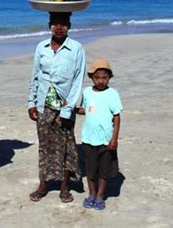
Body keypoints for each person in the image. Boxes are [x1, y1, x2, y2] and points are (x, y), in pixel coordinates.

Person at [28, 12, 85, 203]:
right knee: (45, 145)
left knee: (67, 145)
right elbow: (35, 76)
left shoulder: (76, 48)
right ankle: (43, 185)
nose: (59, 27)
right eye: (55, 23)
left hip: (64, 105)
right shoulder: (41, 47)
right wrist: (31, 102)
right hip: (43, 104)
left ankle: (64, 187)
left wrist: (68, 109)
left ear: (69, 26)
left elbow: (77, 81)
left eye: (63, 24)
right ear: (49, 25)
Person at [76, 58, 122, 210]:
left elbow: (116, 117)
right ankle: (91, 194)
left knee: (103, 171)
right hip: (89, 139)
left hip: (105, 140)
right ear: (91, 78)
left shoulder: (113, 94)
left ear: (109, 78)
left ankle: (100, 196)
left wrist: (114, 139)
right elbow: (86, 109)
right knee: (90, 170)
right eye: (97, 77)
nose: (101, 81)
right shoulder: (87, 92)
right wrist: (73, 109)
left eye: (104, 77)